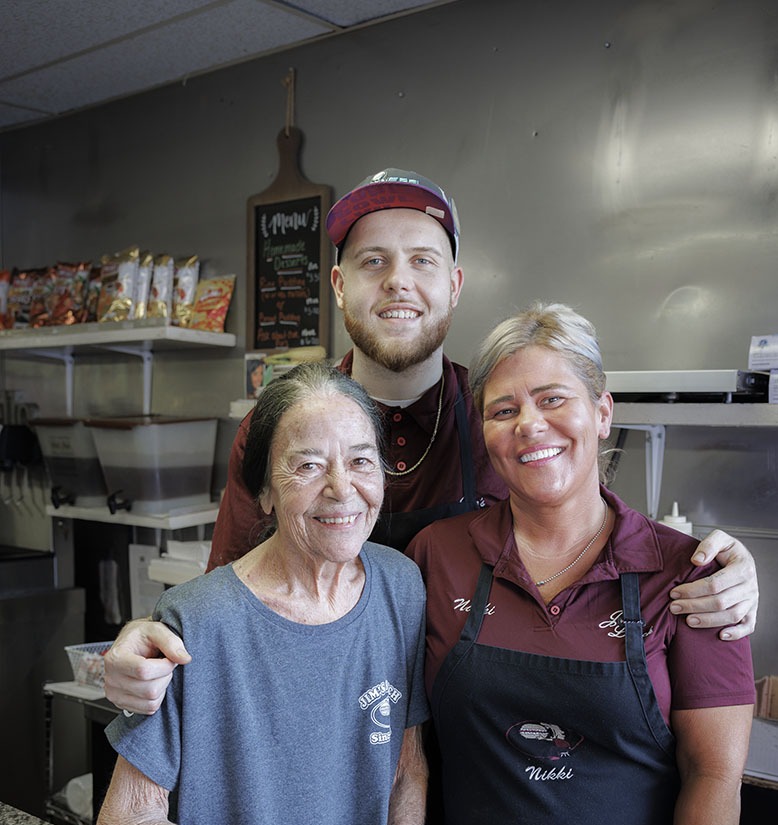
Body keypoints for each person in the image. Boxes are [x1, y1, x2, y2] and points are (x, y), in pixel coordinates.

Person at [103, 168, 757, 712]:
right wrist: (146, 640)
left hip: (468, 746)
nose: (397, 280)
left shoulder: (500, 423)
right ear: (338, 287)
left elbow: (598, 551)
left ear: (454, 284)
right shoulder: (277, 426)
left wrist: (722, 569)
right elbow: (223, 594)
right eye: (372, 262)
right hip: (314, 718)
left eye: (422, 259)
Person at [406, 303, 754, 825]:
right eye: (504, 408)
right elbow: (403, 743)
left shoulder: (690, 575)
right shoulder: (440, 555)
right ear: (486, 435)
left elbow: (715, 775)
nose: (529, 424)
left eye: (553, 398)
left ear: (602, 412)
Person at [95, 364, 430, 825]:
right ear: (266, 494)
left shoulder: (400, 587)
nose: (342, 490)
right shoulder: (194, 621)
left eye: (361, 461)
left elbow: (408, 768)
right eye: (307, 466)